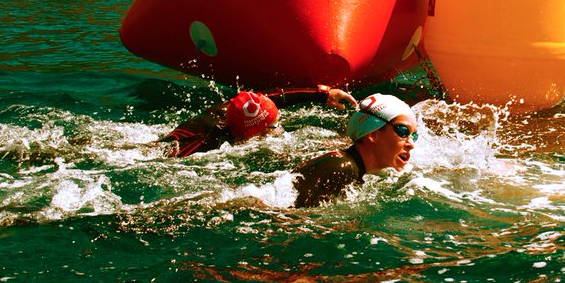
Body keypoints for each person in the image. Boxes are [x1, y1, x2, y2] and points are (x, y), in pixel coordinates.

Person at [293, 93, 419, 206]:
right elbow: (292, 217)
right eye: (403, 131)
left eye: (414, 136)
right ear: (373, 134)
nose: (411, 144)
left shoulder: (361, 173)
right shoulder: (339, 167)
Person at [162, 85, 358, 157]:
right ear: (251, 133)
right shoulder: (210, 144)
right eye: (273, 126)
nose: (278, 129)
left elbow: (270, 98)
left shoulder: (236, 108)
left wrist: (321, 94)